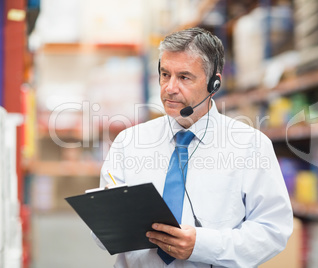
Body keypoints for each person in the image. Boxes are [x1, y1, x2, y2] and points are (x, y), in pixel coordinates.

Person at [93, 27, 293, 268]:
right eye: (165, 74)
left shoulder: (251, 146)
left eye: (184, 77)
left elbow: (272, 230)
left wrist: (202, 245)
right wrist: (108, 220)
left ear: (214, 84)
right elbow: (102, 238)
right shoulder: (129, 142)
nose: (170, 88)